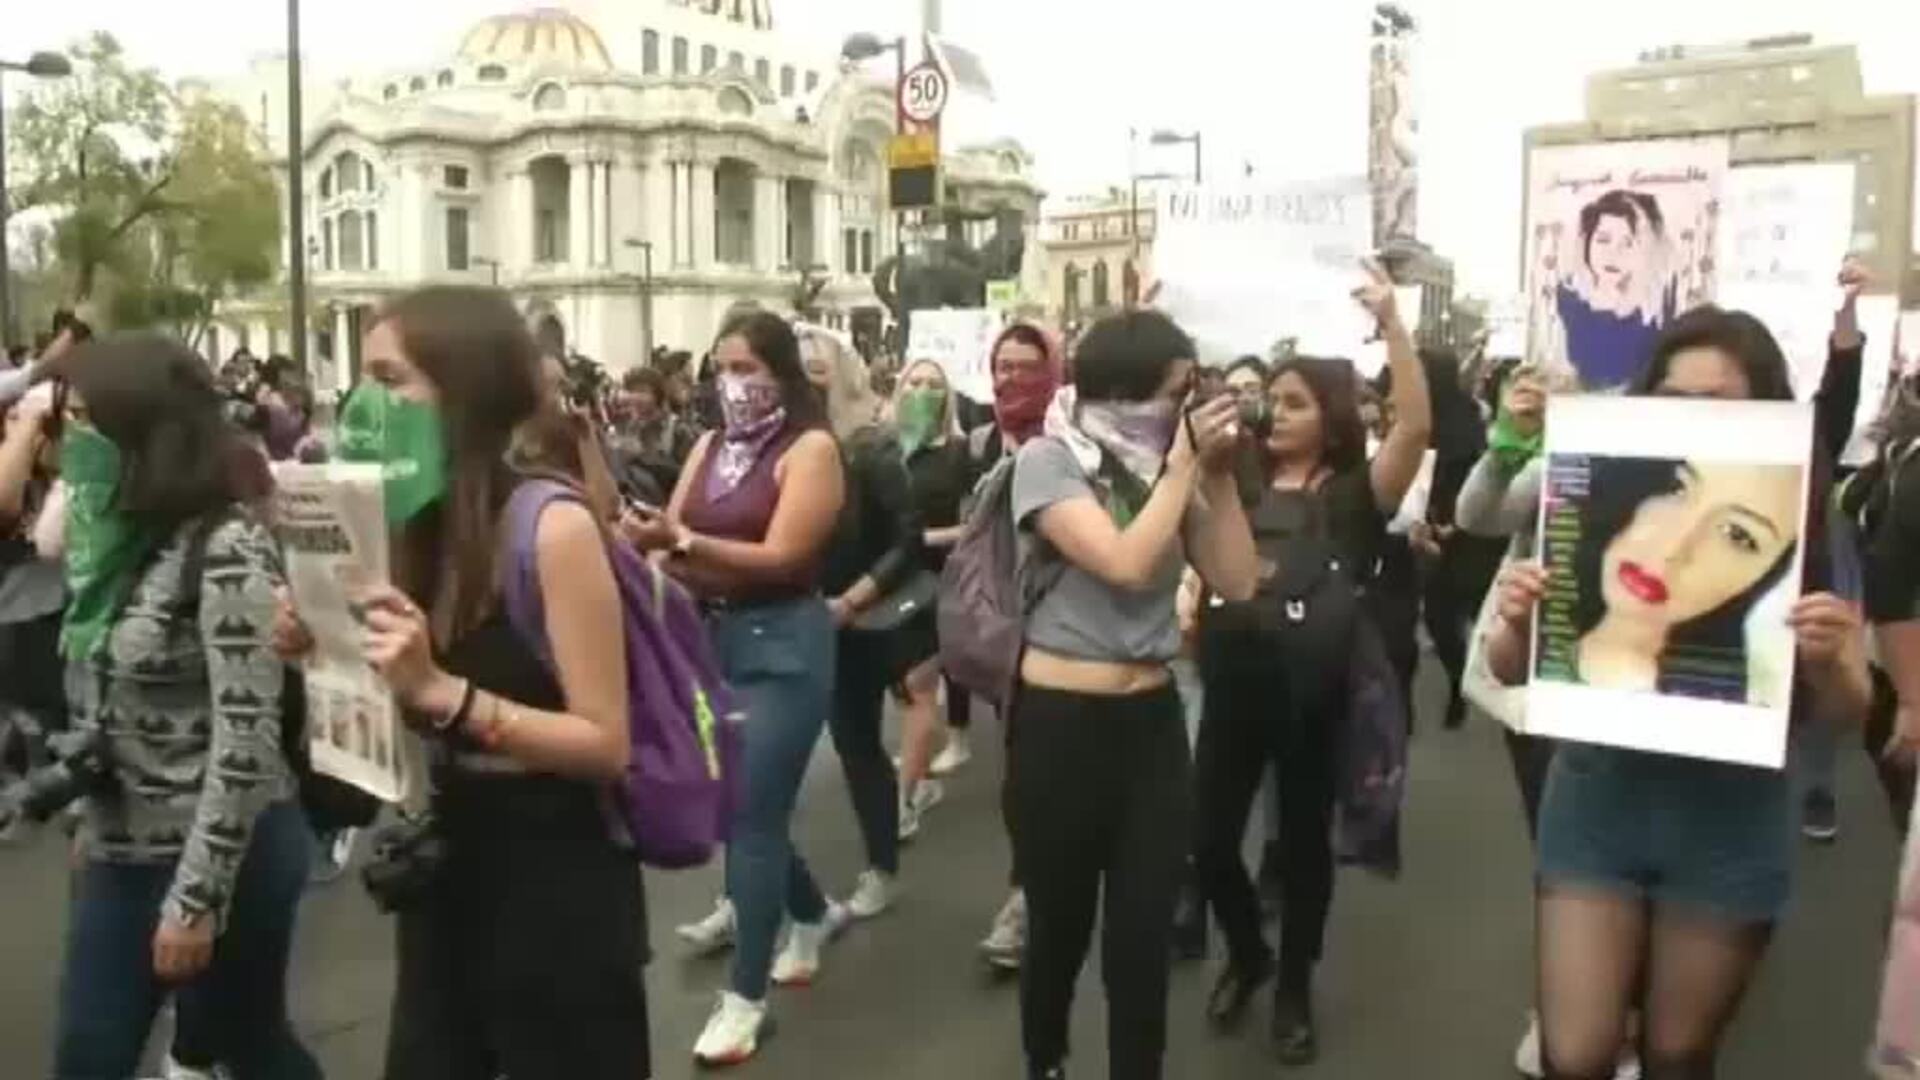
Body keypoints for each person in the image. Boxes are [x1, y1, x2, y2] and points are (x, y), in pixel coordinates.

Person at [1483, 305, 1869, 1080]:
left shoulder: (1802, 523)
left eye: (1723, 406)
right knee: (1577, 1051)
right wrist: (1522, 621)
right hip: (1597, 801)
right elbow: (1503, 665)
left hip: (1732, 818)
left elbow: (1849, 711)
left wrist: (1830, 661)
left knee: (1679, 1053)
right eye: (1678, 400)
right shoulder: (1584, 496)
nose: (1697, 422)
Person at [287, 286, 648, 1078]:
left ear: (464, 388)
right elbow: (360, 767)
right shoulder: (404, 526)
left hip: (557, 879)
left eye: (391, 379)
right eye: (363, 379)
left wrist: (443, 695)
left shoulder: (551, 526)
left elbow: (604, 742)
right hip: (446, 865)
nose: (364, 404)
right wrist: (319, 656)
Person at [47, 334, 322, 1080]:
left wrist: (196, 900)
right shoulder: (115, 544)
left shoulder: (225, 545)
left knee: (248, 1042)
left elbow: (247, 740)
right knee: (88, 1054)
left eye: (84, 422)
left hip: (226, 850)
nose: (68, 442)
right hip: (118, 846)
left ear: (138, 431)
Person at [1010, 308, 1257, 1080]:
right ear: (1128, 390)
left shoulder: (1172, 470)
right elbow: (1120, 561)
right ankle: (1045, 1058)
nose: (1193, 405)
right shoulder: (1050, 461)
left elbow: (1238, 579)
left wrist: (1213, 472)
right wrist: (1183, 469)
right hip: (1059, 727)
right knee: (1058, 927)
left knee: (1141, 941)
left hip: (1150, 726)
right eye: (1182, 390)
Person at [1193, 268, 1429, 1066]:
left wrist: (1393, 323)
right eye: (1274, 400)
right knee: (1209, 841)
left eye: (1295, 402)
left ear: (1330, 418)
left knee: (1299, 852)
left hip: (1311, 697)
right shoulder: (1240, 475)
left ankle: (1292, 982)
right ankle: (1247, 954)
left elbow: (1415, 427)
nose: (1276, 412)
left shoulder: (1358, 497)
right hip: (1231, 686)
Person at [632, 310, 844, 1066]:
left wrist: (684, 544)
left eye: (749, 368)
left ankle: (745, 999)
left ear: (782, 372)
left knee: (751, 816)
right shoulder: (709, 446)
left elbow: (785, 554)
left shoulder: (811, 449)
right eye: (723, 368)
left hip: (784, 643)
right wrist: (652, 548)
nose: (734, 384)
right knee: (735, 805)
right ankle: (812, 913)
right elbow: (675, 530)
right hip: (710, 640)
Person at [803, 324, 923, 912]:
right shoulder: (777, 449)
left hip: (853, 623)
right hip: (786, 620)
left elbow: (908, 538)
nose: (803, 376)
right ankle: (747, 890)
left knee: (857, 745)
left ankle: (882, 865)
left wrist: (852, 600)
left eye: (815, 366)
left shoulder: (871, 446)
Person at [969, 321, 1066, 972]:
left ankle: (1038, 897)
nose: (1011, 378)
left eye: (1028, 366)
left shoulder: (1076, 445)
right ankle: (1030, 889)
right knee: (1021, 776)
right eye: (1002, 365)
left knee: (1053, 775)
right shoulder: (975, 444)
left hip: (1068, 630)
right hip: (1002, 635)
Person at [890, 355, 969, 840]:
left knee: (920, 685)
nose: (922, 391)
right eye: (914, 382)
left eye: (933, 385)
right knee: (903, 688)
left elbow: (975, 522)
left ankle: (904, 798)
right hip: (886, 581)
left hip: (938, 580)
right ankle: (925, 753)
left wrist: (928, 539)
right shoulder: (883, 448)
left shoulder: (960, 453)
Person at [1552, 189, 1678, 390]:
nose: (1613, 253)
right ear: (1586, 242)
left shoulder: (1659, 307)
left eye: (1628, 243)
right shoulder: (1567, 297)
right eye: (1603, 240)